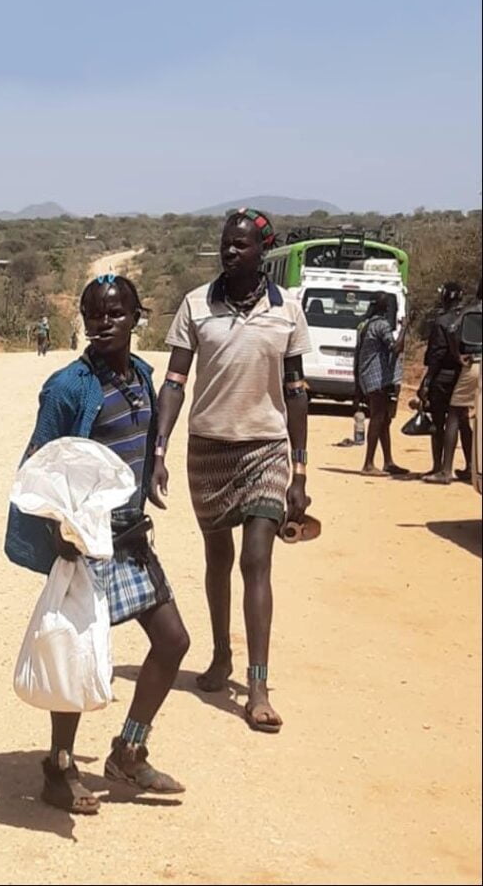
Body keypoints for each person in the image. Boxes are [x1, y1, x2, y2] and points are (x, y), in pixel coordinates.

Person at [4, 273, 189, 815]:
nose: (102, 323)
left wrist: (154, 469)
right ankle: (58, 769)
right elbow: (41, 464)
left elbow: (147, 439)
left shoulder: (141, 375)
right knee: (79, 659)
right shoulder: (69, 387)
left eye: (115, 313)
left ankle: (128, 750)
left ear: (137, 317)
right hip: (87, 543)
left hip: (130, 538)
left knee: (173, 641)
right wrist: (57, 531)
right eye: (92, 314)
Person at [154, 208, 311, 733]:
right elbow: (174, 382)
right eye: (226, 243)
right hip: (209, 450)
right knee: (217, 557)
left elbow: (295, 392)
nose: (230, 252)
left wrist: (301, 472)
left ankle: (259, 685)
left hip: (266, 448)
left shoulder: (287, 309)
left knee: (256, 560)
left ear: (261, 250)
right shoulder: (197, 304)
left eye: (241, 245)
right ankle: (220, 655)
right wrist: (158, 449)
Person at [425, 281, 482, 485]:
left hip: (472, 365)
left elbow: (450, 330)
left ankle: (445, 471)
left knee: (455, 414)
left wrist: (458, 355)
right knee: (469, 418)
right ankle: (472, 467)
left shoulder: (470, 313)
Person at [354, 292, 408, 477]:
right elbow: (395, 347)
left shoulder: (364, 324)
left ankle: (388, 461)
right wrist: (405, 329)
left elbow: (358, 355)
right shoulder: (382, 325)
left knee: (384, 420)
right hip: (378, 378)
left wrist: (356, 387)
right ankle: (368, 464)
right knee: (378, 418)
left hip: (367, 376)